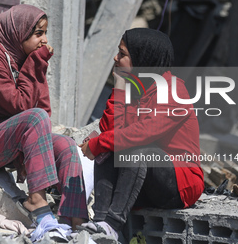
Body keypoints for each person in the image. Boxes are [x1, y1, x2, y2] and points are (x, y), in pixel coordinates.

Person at [0, 4, 88, 237]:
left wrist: (38, 66)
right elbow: (22, 106)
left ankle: (75, 220)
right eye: (38, 34)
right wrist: (36, 63)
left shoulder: (21, 58)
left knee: (66, 146)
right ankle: (37, 202)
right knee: (34, 118)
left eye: (45, 33)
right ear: (18, 32)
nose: (44, 40)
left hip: (6, 140)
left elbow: (42, 109)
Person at [80, 28, 204, 240]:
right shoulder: (132, 86)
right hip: (140, 180)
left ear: (143, 57)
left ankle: (112, 224)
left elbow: (140, 135)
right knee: (112, 147)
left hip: (178, 184)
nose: (115, 58)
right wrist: (119, 85)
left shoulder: (174, 91)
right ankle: (100, 222)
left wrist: (97, 142)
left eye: (122, 53)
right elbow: (111, 130)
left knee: (136, 148)